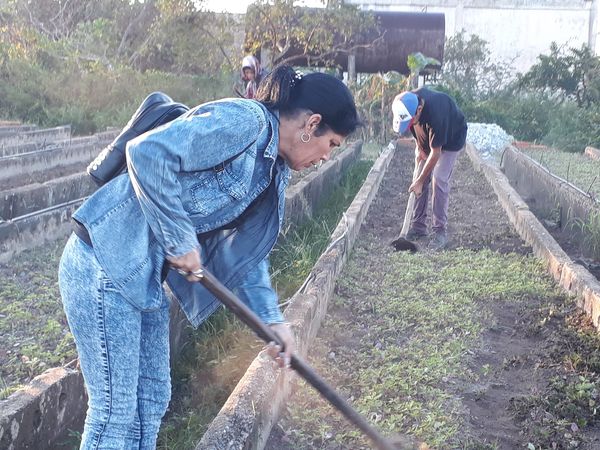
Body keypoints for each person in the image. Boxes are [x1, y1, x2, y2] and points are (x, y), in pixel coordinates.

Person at [58, 64, 361, 449]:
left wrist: (273, 321)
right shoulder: (244, 122)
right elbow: (148, 153)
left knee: (151, 400)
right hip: (103, 259)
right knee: (115, 410)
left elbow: (245, 256)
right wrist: (180, 236)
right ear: (311, 124)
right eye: (331, 144)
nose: (325, 156)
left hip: (142, 274)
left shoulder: (272, 169)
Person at [392, 87, 467, 250]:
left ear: (419, 109)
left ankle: (440, 232)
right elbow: (415, 128)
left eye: (411, 120)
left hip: (453, 138)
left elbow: (436, 153)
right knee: (420, 178)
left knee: (438, 178)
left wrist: (420, 180)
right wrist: (420, 149)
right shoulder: (406, 102)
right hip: (430, 137)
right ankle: (418, 227)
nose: (410, 124)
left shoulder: (436, 113)